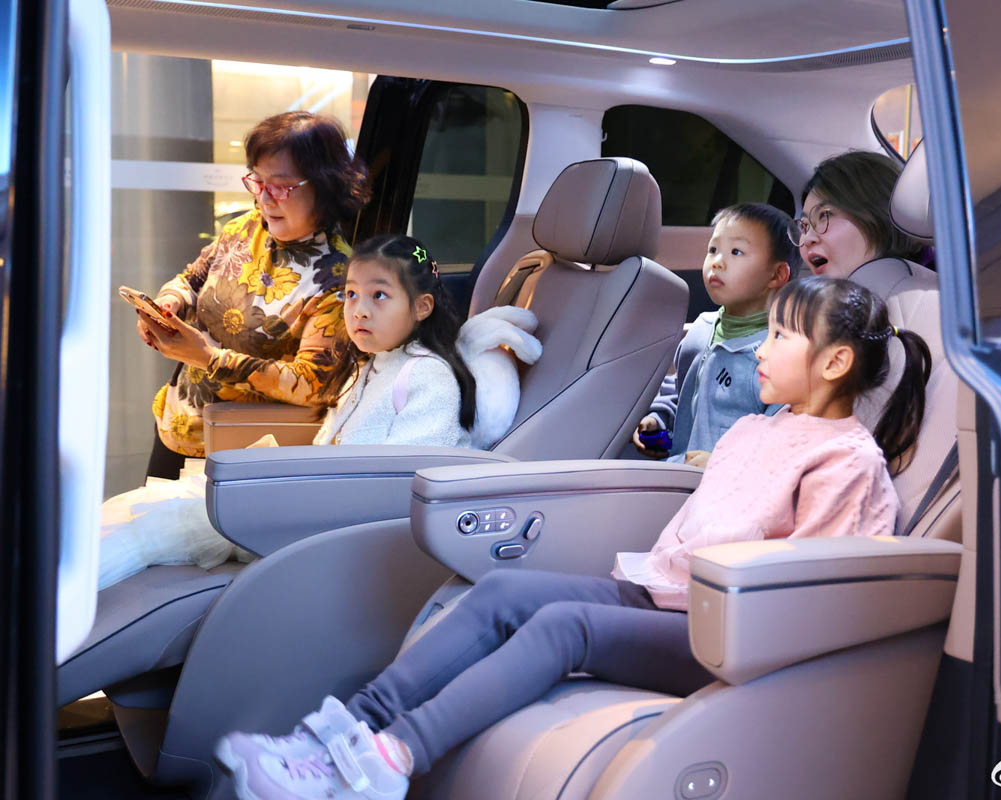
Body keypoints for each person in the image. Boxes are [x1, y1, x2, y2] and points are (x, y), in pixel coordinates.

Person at [213, 274, 932, 800]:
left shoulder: (846, 460)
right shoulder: (755, 428)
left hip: (730, 638)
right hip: (664, 597)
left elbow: (818, 594)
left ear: (835, 363)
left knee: (564, 628)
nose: (763, 350)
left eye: (781, 337)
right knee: (501, 592)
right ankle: (337, 735)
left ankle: (389, 761)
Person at [99, 235, 541, 591]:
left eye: (379, 295)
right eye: (351, 294)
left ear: (421, 307)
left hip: (338, 527)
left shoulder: (429, 378)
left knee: (150, 531)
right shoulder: (372, 365)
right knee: (139, 508)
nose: (359, 310)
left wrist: (297, 493)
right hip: (319, 505)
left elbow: (404, 485)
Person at [137, 111, 370, 477]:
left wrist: (209, 358)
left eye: (280, 186)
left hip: (248, 449)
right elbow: (193, 280)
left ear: (324, 186)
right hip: (178, 424)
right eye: (257, 181)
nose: (264, 198)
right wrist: (169, 304)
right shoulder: (243, 229)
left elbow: (313, 384)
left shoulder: (340, 277)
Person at [632, 202, 798, 468]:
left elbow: (781, 438)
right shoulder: (701, 330)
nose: (717, 262)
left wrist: (725, 462)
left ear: (776, 275)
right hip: (681, 473)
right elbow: (682, 389)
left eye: (736, 252)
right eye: (713, 250)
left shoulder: (777, 355)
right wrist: (659, 417)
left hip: (731, 484)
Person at [791, 150, 926, 280]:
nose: (807, 240)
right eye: (804, 226)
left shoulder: (929, 291)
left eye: (825, 215)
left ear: (879, 213)